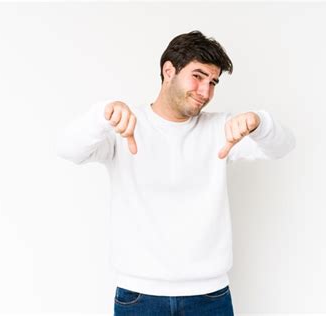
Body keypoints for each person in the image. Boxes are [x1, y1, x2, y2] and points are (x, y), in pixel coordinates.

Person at [55, 30, 295, 316]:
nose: (205, 91)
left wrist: (259, 122)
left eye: (213, 82)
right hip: (139, 296)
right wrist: (102, 115)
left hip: (209, 296)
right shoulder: (125, 125)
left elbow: (283, 147)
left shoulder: (221, 130)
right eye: (198, 76)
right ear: (169, 70)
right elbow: (67, 149)